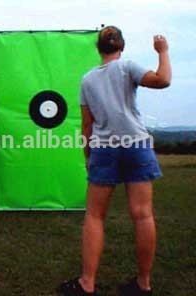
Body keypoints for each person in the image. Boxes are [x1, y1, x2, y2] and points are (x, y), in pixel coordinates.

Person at [58, 26, 171, 296]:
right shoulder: (127, 66)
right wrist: (163, 52)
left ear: (98, 48)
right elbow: (163, 79)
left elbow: (87, 125)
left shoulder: (87, 80)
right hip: (137, 145)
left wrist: (88, 155)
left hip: (104, 149)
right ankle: (143, 285)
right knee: (143, 215)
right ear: (122, 47)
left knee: (95, 217)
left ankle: (87, 284)